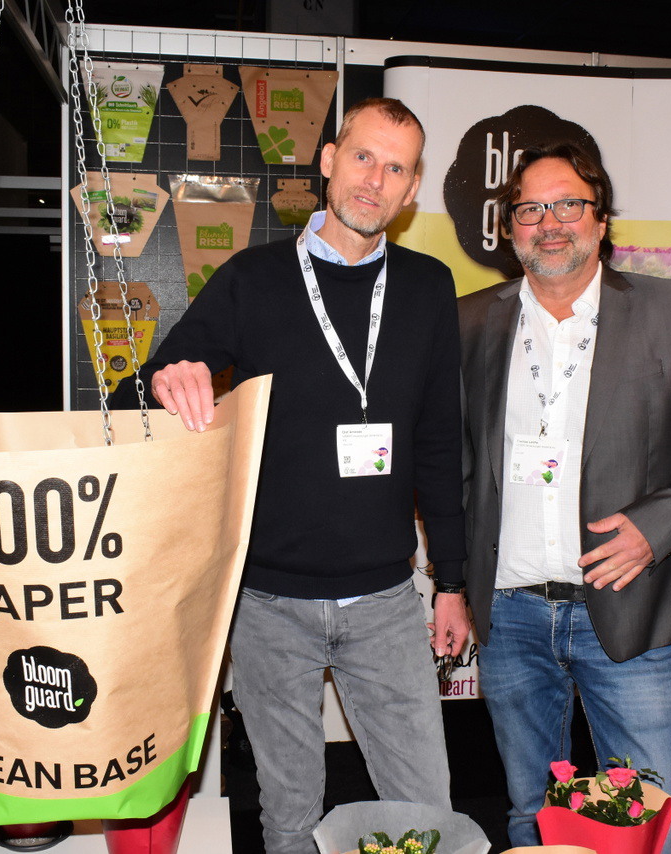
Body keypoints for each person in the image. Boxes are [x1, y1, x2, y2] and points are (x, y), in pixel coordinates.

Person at [141, 97, 469, 854]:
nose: (374, 180)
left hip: (386, 604)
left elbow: (438, 443)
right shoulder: (253, 278)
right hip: (268, 605)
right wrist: (171, 373)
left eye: (396, 168)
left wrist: (450, 581)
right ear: (328, 160)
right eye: (363, 157)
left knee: (426, 814)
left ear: (412, 189)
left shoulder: (427, 287)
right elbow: (168, 366)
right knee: (289, 818)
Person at [458, 139, 671, 851]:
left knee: (646, 823)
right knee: (532, 814)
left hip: (626, 604)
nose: (550, 223)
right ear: (508, 227)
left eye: (569, 204)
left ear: (601, 219)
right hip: (510, 612)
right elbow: (454, 460)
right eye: (530, 209)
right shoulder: (468, 322)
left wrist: (654, 528)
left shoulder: (669, 310)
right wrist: (451, 581)